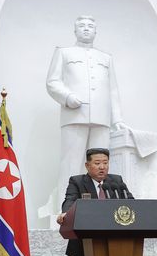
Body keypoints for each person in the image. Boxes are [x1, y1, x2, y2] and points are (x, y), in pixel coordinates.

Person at [46, 16, 127, 213]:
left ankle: (98, 211)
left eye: (90, 26)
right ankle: (65, 212)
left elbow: (113, 90)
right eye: (81, 26)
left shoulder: (105, 58)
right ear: (75, 30)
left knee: (100, 165)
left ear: (96, 31)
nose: (86, 29)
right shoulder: (64, 52)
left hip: (101, 117)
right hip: (74, 114)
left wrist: (117, 118)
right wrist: (67, 97)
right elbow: (52, 82)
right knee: (71, 162)